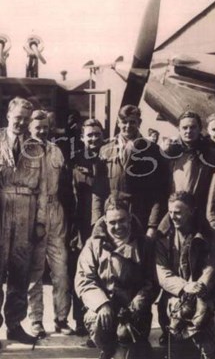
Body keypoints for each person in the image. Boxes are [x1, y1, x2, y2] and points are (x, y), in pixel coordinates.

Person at [75, 193, 158, 359]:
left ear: (129, 219)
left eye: (122, 220)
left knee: (130, 351)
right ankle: (108, 349)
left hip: (134, 310)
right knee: (97, 318)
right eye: (112, 222)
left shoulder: (144, 244)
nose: (118, 226)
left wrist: (134, 307)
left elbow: (152, 282)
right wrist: (101, 304)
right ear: (105, 222)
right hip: (106, 310)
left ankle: (129, 348)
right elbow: (84, 279)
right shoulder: (93, 244)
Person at [0, 97, 47, 345]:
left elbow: (43, 188)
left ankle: (15, 324)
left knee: (20, 270)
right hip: (0, 208)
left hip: (26, 212)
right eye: (18, 117)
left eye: (26, 119)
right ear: (9, 114)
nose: (21, 122)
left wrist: (40, 220)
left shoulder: (36, 148)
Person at [156, 191, 215, 359]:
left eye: (178, 212)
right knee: (176, 319)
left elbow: (212, 265)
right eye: (170, 212)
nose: (173, 217)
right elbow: (161, 271)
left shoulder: (209, 234)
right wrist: (184, 286)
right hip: (176, 292)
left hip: (203, 291)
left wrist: (200, 286)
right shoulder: (163, 236)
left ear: (192, 211)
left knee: (204, 319)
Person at [27, 110, 73, 338]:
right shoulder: (25, 152)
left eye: (45, 127)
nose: (42, 131)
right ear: (29, 128)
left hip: (57, 213)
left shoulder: (57, 151)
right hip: (34, 211)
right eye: (37, 128)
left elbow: (65, 186)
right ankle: (36, 320)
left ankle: (61, 318)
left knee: (61, 270)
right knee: (35, 271)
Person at [92, 105, 168, 239]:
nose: (127, 126)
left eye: (132, 122)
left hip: (140, 218)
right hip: (113, 220)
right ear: (118, 122)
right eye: (124, 121)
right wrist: (97, 221)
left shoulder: (152, 150)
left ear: (139, 123)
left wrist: (152, 225)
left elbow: (159, 193)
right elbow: (98, 191)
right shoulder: (105, 149)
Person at [69, 118, 104, 336]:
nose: (93, 138)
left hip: (104, 224)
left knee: (104, 271)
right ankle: (80, 320)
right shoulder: (74, 162)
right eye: (89, 135)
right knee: (80, 270)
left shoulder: (110, 158)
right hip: (81, 225)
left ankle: (102, 319)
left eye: (97, 134)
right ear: (82, 137)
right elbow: (69, 195)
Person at [163, 111, 213, 213]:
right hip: (172, 209)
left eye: (193, 127)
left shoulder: (209, 154)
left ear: (200, 129)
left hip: (198, 210)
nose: (189, 131)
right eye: (185, 128)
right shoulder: (169, 154)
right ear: (179, 129)